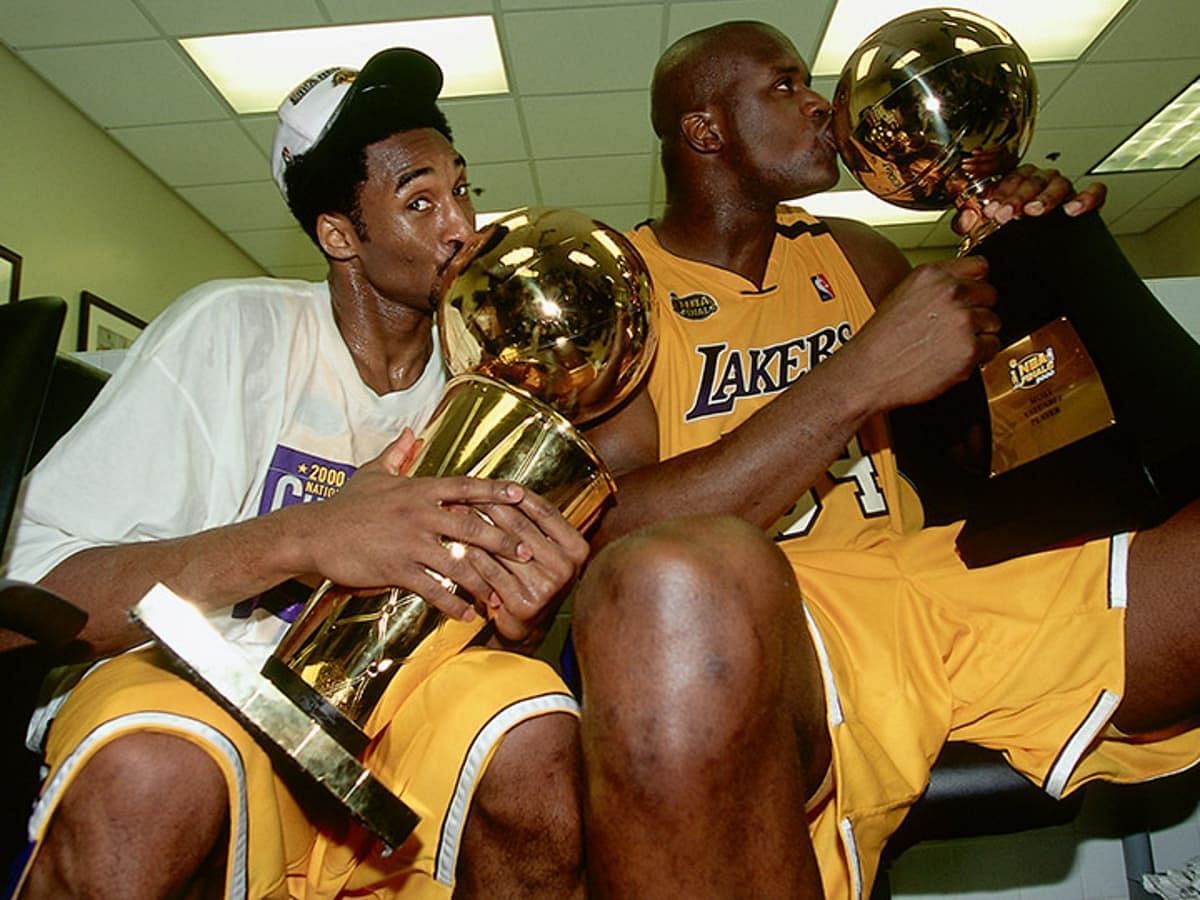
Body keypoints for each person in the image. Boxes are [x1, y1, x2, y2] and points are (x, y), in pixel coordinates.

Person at [572, 21, 1200, 900]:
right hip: (787, 627)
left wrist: (1035, 258)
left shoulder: (857, 257)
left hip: (942, 580)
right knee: (676, 579)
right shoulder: (622, 293)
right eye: (783, 86)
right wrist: (855, 380)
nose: (820, 106)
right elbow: (614, 534)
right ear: (705, 131)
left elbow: (995, 450)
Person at [2, 48, 590, 898]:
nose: (463, 224)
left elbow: (480, 634)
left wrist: (522, 615)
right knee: (152, 771)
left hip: (385, 713)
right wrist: (307, 536)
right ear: (339, 235)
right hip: (193, 683)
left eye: (462, 188)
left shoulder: (484, 387)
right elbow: (30, 602)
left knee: (531, 724)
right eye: (420, 201)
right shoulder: (232, 332)